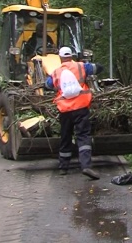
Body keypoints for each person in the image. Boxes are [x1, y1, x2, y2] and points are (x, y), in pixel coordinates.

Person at [45, 47, 104, 179]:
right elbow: (99, 68)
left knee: (65, 136)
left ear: (60, 58)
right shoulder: (81, 66)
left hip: (65, 110)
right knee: (83, 136)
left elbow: (48, 85)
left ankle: (63, 167)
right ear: (71, 56)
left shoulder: (56, 72)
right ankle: (86, 166)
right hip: (81, 107)